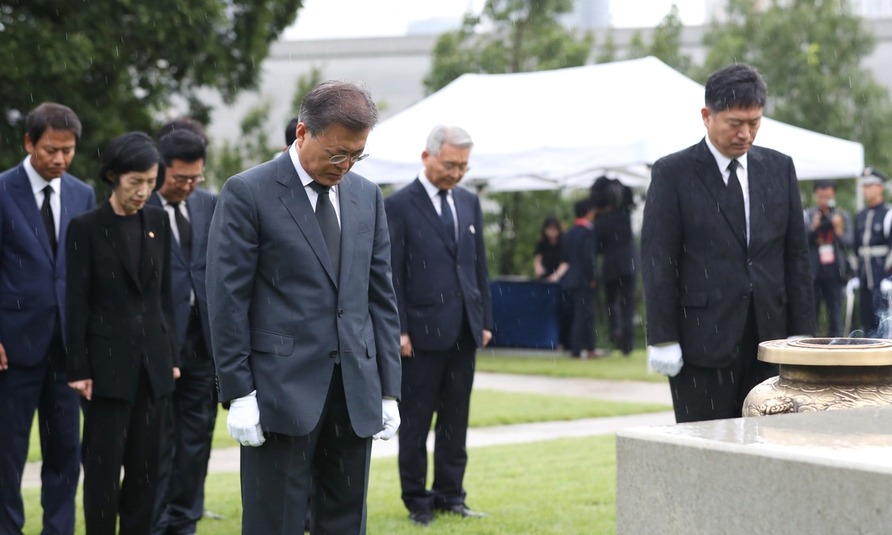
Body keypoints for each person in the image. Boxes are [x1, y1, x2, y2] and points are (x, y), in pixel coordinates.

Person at [206, 80, 402, 534]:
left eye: (357, 155)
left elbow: (380, 297)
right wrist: (239, 392)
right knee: (276, 523)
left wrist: (389, 387)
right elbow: (227, 299)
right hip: (278, 393)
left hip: (353, 393)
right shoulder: (248, 192)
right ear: (302, 133)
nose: (346, 165)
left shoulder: (366, 196)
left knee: (345, 522)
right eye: (337, 154)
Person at [641, 63, 815, 423]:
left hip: (770, 340)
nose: (745, 134)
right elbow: (659, 259)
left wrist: (804, 336)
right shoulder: (673, 173)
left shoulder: (779, 168)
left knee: (771, 446)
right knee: (705, 449)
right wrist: (662, 337)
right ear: (707, 116)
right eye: (735, 123)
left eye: (754, 123)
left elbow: (795, 257)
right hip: (701, 340)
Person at [66, 131, 180, 535]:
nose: (143, 192)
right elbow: (76, 302)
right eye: (135, 183)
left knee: (146, 474)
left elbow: (164, 293)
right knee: (101, 475)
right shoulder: (86, 228)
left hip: (154, 368)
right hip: (105, 373)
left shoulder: (157, 221)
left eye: (150, 182)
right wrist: (78, 367)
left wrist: (173, 357)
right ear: (113, 176)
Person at [385, 124, 493, 527]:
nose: (457, 173)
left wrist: (484, 320)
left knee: (455, 420)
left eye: (463, 166)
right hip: (420, 334)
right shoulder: (397, 206)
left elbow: (478, 266)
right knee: (415, 423)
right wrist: (399, 329)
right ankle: (417, 499)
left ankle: (452, 494)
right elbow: (391, 273)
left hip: (464, 329)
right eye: (450, 164)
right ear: (427, 156)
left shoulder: (468, 202)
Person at [0, 102, 95, 535]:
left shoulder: (82, 193)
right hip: (12, 349)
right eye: (50, 150)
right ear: (28, 143)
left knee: (65, 455)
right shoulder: (2, 191)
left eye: (68, 150)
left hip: (66, 352)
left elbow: (82, 272)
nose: (59, 159)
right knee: (6, 455)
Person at [150, 127, 218, 535]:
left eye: (196, 178)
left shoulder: (211, 205)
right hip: (157, 343)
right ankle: (154, 521)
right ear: (160, 169)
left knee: (197, 438)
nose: (188, 187)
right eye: (180, 179)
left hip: (202, 342)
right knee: (157, 440)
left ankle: (185, 518)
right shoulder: (142, 208)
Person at [591, 175, 639, 355]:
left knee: (612, 302)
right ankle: (627, 343)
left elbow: (597, 249)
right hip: (629, 264)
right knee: (628, 304)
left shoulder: (601, 222)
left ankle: (616, 329)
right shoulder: (624, 216)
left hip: (611, 267)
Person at [804, 180, 852, 337]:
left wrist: (838, 229)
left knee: (835, 316)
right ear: (816, 196)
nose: (825, 201)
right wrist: (813, 227)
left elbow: (850, 242)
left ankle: (836, 349)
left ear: (834, 196)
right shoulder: (810, 215)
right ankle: (811, 349)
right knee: (811, 316)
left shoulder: (841, 215)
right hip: (814, 273)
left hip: (835, 272)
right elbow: (800, 243)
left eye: (828, 197)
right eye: (821, 197)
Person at [854, 167, 892, 337]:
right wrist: (854, 274)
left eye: (870, 185)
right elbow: (857, 248)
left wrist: (889, 277)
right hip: (864, 278)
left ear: (880, 187)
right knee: (866, 322)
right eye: (864, 186)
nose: (866, 189)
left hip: (882, 277)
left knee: (883, 324)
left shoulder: (888, 214)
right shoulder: (861, 215)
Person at [560, 199, 599, 359]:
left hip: (570, 279)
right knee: (583, 315)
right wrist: (592, 277)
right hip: (583, 279)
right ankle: (580, 349)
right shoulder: (588, 232)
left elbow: (565, 257)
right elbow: (588, 257)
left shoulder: (569, 233)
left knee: (575, 314)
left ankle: (579, 347)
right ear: (588, 212)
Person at [534, 216, 564, 281]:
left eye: (554, 229)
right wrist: (539, 268)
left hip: (560, 278)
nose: (552, 231)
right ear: (545, 229)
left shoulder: (563, 243)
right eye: (550, 228)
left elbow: (565, 262)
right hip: (545, 276)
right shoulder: (542, 243)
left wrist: (556, 275)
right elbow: (538, 259)